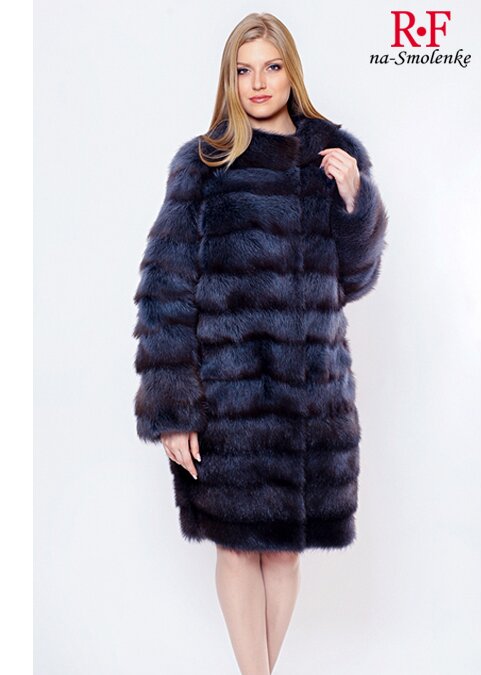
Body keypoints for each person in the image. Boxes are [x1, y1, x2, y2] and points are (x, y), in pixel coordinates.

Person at [132, 12, 388, 675]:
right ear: (229, 79)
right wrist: (172, 407)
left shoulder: (332, 155)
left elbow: (355, 280)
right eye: (243, 70)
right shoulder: (204, 164)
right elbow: (165, 289)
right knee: (238, 548)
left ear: (290, 71)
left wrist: (355, 203)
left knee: (284, 551)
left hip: (310, 399)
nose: (258, 83)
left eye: (271, 67)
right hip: (229, 398)